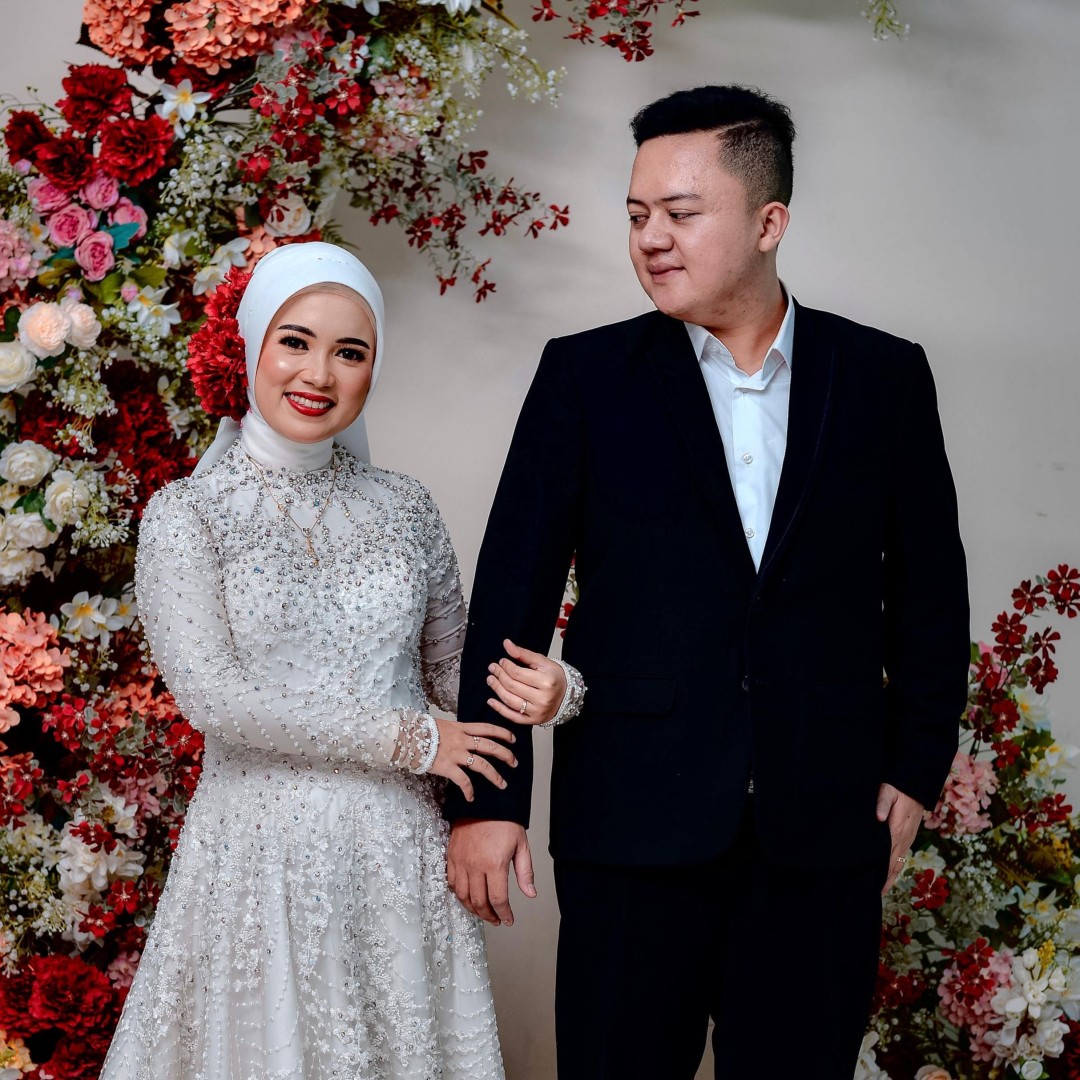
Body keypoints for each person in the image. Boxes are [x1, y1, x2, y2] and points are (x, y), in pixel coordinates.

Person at [444, 85, 970, 1078]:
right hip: (630, 823)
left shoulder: (884, 378)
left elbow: (931, 594)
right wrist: (488, 798)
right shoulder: (583, 377)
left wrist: (915, 767)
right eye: (637, 214)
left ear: (769, 223)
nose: (651, 238)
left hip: (821, 830)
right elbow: (511, 594)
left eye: (681, 213)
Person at [100, 241, 571, 1078]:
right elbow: (215, 698)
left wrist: (559, 691)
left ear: (372, 370)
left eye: (350, 352)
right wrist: (412, 740)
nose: (319, 373)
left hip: (397, 858)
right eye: (296, 341)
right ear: (252, 345)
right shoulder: (188, 514)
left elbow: (456, 677)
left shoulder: (406, 507)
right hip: (259, 861)